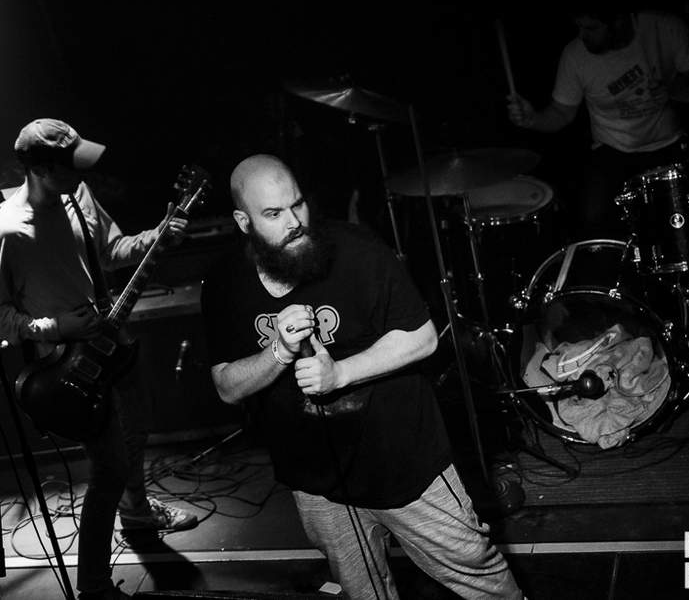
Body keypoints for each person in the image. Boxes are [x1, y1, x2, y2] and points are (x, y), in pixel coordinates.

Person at [201, 154, 522, 599]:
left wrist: (341, 374)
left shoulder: (356, 251)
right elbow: (226, 387)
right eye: (273, 214)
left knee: (477, 573)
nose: (294, 222)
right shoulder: (223, 284)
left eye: (297, 205)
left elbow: (423, 338)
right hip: (316, 482)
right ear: (243, 220)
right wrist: (276, 351)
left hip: (403, 462)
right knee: (363, 590)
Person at [0, 118, 199, 600]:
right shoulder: (9, 230)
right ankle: (94, 586)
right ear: (37, 168)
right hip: (70, 370)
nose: (82, 173)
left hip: (113, 341)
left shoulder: (78, 197)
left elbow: (112, 250)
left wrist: (158, 234)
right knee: (108, 471)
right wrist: (57, 328)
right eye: (69, 165)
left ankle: (138, 512)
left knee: (137, 430)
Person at [507, 4, 689, 238]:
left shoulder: (664, 28)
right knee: (593, 221)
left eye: (590, 28)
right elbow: (562, 114)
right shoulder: (575, 56)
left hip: (671, 142)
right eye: (579, 26)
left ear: (619, 20)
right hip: (613, 150)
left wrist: (675, 89)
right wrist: (533, 119)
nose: (582, 35)